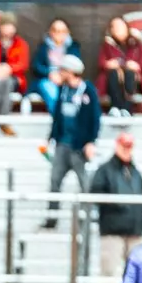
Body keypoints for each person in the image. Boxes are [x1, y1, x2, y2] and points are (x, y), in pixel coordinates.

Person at [42, 54, 100, 230]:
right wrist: (51, 137)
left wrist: (90, 141)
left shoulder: (87, 91)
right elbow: (57, 116)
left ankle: (87, 217)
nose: (61, 73)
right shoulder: (63, 91)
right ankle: (51, 218)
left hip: (79, 147)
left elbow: (95, 119)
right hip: (62, 145)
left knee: (86, 184)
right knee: (54, 182)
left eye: (64, 70)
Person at [90, 131, 142, 278]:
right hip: (112, 230)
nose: (127, 149)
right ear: (117, 146)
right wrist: (118, 204)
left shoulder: (135, 172)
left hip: (134, 230)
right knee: (109, 273)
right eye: (124, 145)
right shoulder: (104, 170)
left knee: (137, 275)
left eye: (129, 146)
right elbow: (96, 193)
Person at [97, 16, 142, 115]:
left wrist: (135, 65)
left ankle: (126, 109)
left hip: (133, 78)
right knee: (113, 74)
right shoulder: (108, 44)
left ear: (126, 27)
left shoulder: (137, 43)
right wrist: (109, 64)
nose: (118, 29)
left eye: (120, 26)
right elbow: (101, 62)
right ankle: (115, 108)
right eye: (114, 27)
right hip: (114, 77)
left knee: (129, 74)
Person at [30, 17, 81, 112]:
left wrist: (63, 76)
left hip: (67, 80)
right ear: (50, 32)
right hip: (48, 79)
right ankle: (58, 118)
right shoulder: (43, 47)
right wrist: (50, 73)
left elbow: (76, 67)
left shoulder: (73, 47)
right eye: (56, 31)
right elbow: (36, 66)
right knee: (51, 93)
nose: (59, 34)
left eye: (62, 31)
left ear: (67, 32)